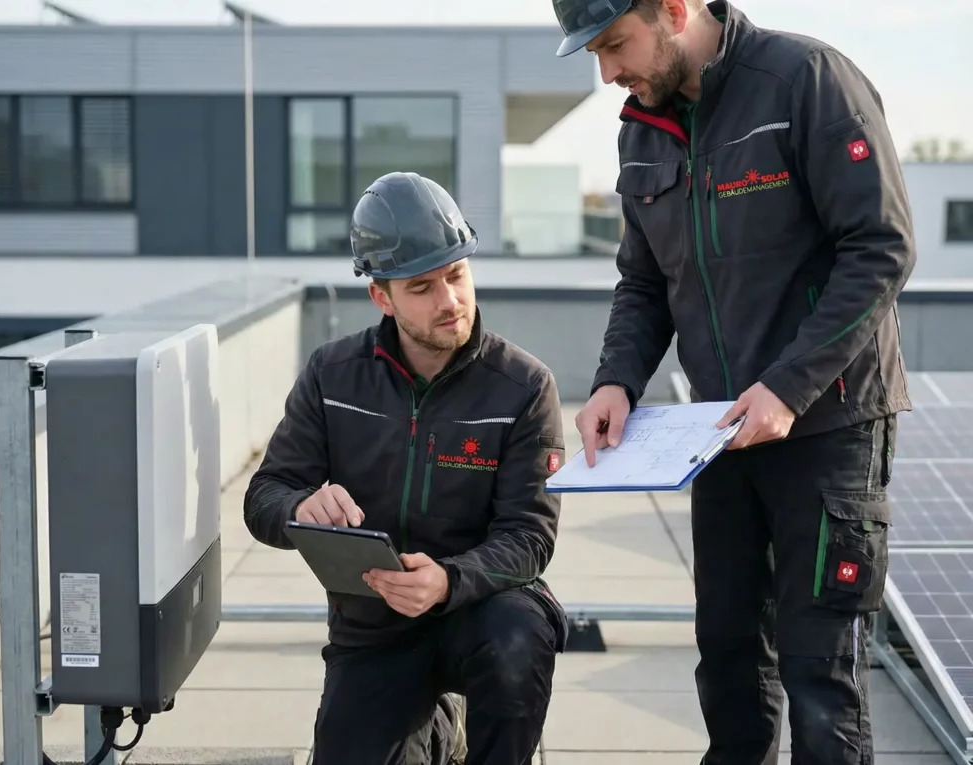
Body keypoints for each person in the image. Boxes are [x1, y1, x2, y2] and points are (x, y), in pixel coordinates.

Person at [553, 1, 916, 763]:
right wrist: (616, 380)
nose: (608, 71)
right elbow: (644, 283)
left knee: (821, 679)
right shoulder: (641, 127)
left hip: (828, 428)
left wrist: (788, 386)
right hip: (717, 436)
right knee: (727, 659)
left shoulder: (804, 81)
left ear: (674, 11)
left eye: (615, 44)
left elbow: (881, 247)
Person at [243, 171, 569, 765]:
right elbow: (264, 496)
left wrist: (447, 580)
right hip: (373, 626)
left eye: (456, 275)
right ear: (382, 297)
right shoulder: (332, 376)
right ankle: (439, 728)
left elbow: (530, 536)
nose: (448, 301)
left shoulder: (523, 387)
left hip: (481, 611)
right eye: (421, 286)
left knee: (520, 639)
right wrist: (298, 507)